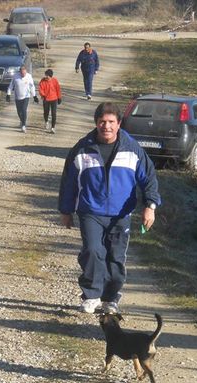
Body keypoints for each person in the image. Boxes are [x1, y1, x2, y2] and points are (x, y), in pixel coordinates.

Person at [58, 102, 161, 314]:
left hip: (121, 214)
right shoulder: (82, 148)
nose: (106, 126)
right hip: (90, 211)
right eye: (102, 122)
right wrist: (66, 210)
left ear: (119, 124)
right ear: (96, 123)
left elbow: (149, 178)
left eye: (111, 122)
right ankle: (91, 295)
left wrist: (150, 206)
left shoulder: (132, 149)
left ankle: (111, 297)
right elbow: (68, 181)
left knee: (115, 257)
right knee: (93, 251)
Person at [6, 65, 39, 133]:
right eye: (22, 73)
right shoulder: (15, 76)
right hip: (17, 96)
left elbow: (32, 87)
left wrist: (34, 96)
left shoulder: (29, 76)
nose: (23, 74)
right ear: (20, 72)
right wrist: (8, 94)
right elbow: (11, 86)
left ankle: (23, 125)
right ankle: (22, 120)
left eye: (24, 73)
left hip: (26, 96)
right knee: (19, 111)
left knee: (24, 110)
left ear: (26, 71)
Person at [38, 68, 62, 134]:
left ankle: (53, 127)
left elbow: (58, 89)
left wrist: (59, 97)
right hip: (46, 99)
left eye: (47, 75)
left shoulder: (55, 81)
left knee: (53, 113)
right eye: (45, 75)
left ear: (50, 76)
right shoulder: (42, 81)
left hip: (54, 99)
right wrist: (43, 95)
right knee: (46, 112)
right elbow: (40, 89)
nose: (45, 76)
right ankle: (46, 122)